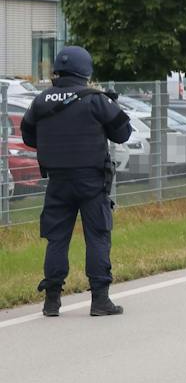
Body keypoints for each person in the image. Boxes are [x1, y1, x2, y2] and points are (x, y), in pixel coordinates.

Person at [20, 45, 133, 317]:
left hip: (57, 181)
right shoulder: (96, 99)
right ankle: (100, 300)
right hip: (91, 181)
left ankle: (51, 301)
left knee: (56, 239)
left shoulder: (41, 101)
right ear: (85, 71)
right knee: (97, 236)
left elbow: (27, 136)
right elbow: (123, 133)